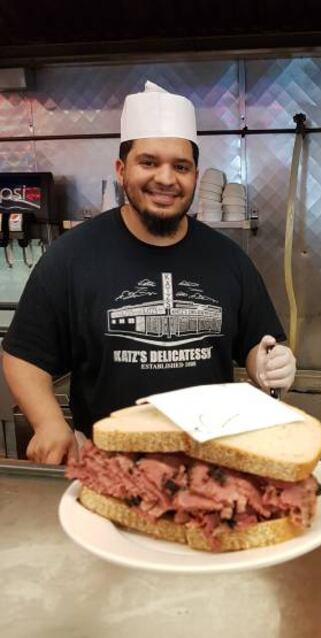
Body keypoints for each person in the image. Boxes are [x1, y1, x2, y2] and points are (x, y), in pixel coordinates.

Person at [2, 81, 296, 465]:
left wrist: (267, 364)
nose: (166, 179)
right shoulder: (71, 257)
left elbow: (261, 343)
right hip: (109, 463)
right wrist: (47, 423)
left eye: (181, 166)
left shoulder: (229, 259)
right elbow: (25, 355)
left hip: (209, 464)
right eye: (148, 162)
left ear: (194, 175)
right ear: (121, 169)